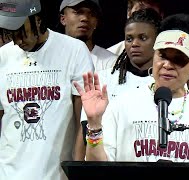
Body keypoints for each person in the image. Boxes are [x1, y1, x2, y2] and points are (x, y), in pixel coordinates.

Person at [74, 13, 189, 163]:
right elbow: (98, 169)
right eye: (163, 56)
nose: (167, 65)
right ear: (154, 56)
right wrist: (94, 125)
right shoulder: (122, 105)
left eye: (178, 59)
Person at [0, 0, 94, 179]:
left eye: (21, 30)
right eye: (10, 33)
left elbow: (84, 119)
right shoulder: (3, 57)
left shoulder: (74, 51)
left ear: (37, 19)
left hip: (55, 173)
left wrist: (76, 168)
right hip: (8, 173)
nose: (16, 40)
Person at [74, 8, 162, 160]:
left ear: (157, 42)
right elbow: (84, 135)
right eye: (129, 38)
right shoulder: (103, 81)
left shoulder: (165, 84)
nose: (134, 44)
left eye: (143, 38)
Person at [59, 0, 117, 71]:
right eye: (78, 12)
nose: (85, 18)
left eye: (92, 14)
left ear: (96, 22)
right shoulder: (48, 58)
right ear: (63, 19)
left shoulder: (111, 62)